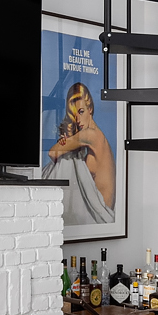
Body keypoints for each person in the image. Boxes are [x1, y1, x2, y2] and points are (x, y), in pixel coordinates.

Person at [44, 80, 115, 227]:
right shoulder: (95, 136)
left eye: (81, 111)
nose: (78, 119)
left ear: (90, 108)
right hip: (95, 210)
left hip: (99, 213)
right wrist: (68, 143)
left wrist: (66, 144)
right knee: (69, 156)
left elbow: (52, 152)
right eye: (74, 115)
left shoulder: (91, 135)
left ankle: (45, 206)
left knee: (67, 159)